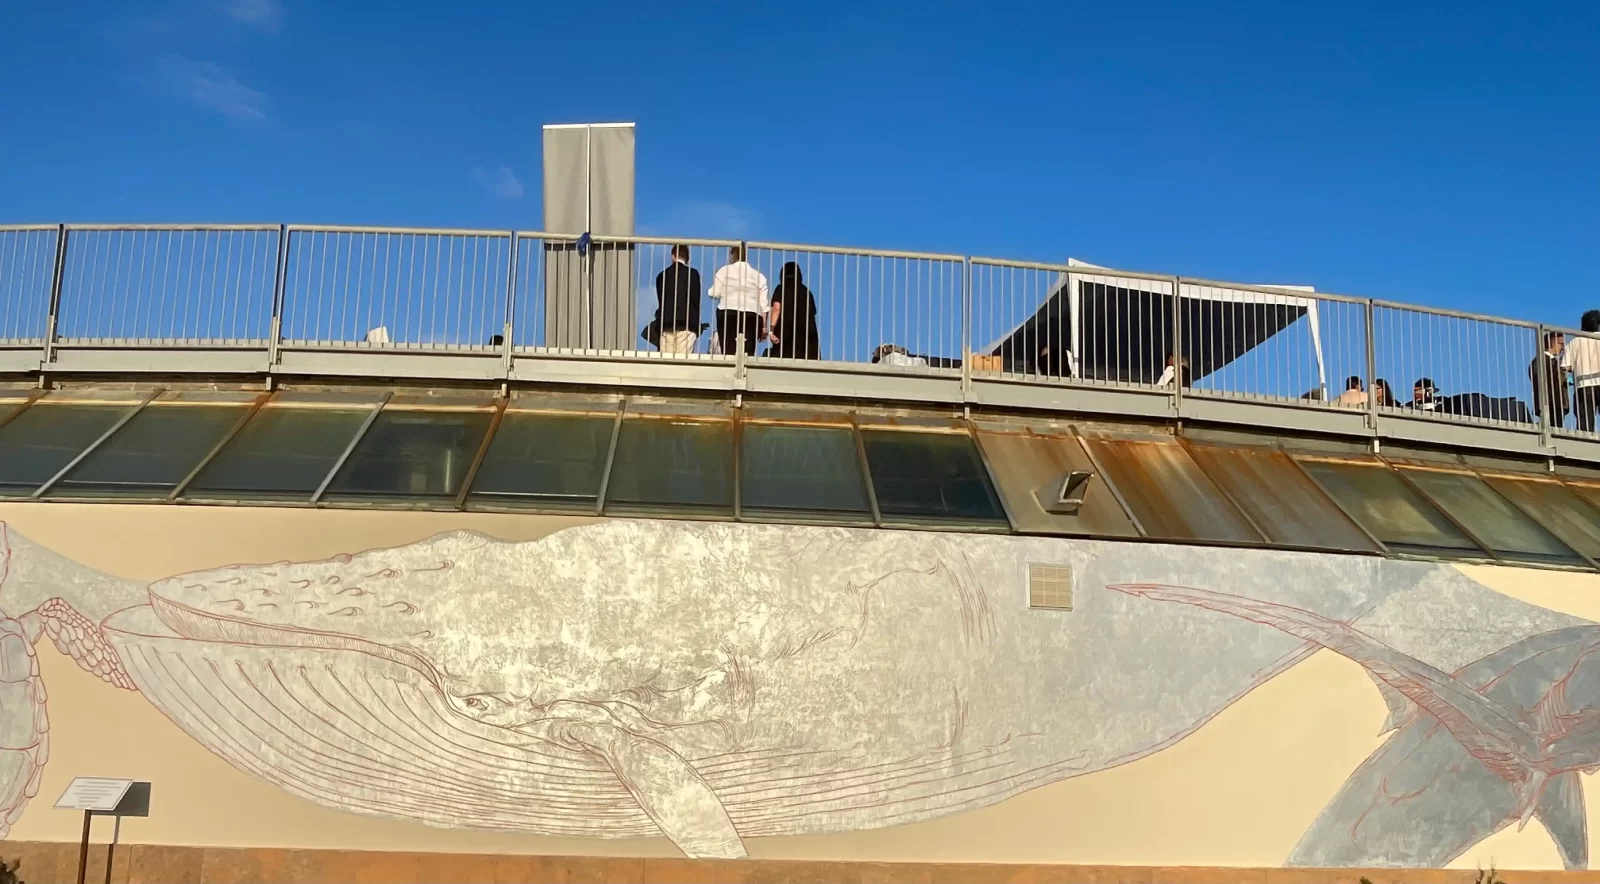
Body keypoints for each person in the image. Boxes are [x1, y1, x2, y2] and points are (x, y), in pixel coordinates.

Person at [707, 245, 769, 356]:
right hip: (752, 314)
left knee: (729, 350)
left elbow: (714, 293)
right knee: (748, 353)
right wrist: (763, 327)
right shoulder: (759, 276)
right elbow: (764, 305)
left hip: (728, 312)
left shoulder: (725, 270)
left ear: (732, 254)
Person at [653, 245, 703, 355]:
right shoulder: (693, 274)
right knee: (683, 359)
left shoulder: (662, 276)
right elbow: (696, 299)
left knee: (666, 359)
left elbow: (661, 300)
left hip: (666, 324)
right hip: (687, 323)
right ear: (687, 258)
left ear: (673, 256)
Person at [767, 262, 820, 360]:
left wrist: (771, 331)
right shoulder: (807, 292)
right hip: (807, 342)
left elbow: (776, 308)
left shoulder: (781, 289)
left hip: (786, 337)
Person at [1565, 310, 1600, 432]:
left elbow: (1565, 366)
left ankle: (1586, 440)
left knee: (1585, 420)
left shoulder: (1575, 342)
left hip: (1583, 385)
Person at [1531, 331, 1569, 426]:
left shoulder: (1553, 362)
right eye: (1560, 343)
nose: (1563, 348)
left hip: (1557, 404)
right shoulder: (1541, 360)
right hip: (1550, 404)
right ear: (1551, 343)